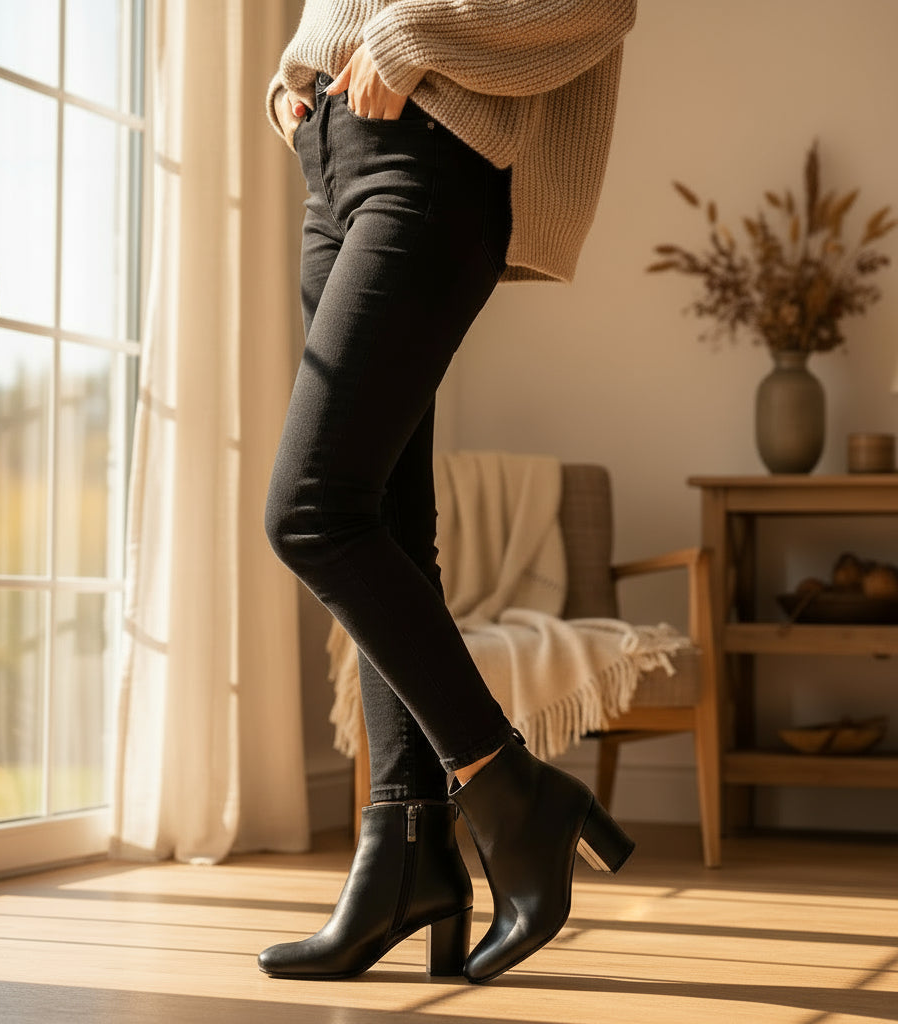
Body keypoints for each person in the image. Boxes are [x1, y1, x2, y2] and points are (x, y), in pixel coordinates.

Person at [260, 0, 637, 985]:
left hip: (432, 143)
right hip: (331, 156)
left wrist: (404, 41)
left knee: (311, 510)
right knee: (382, 516)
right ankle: (405, 856)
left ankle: (513, 792)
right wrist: (296, 80)